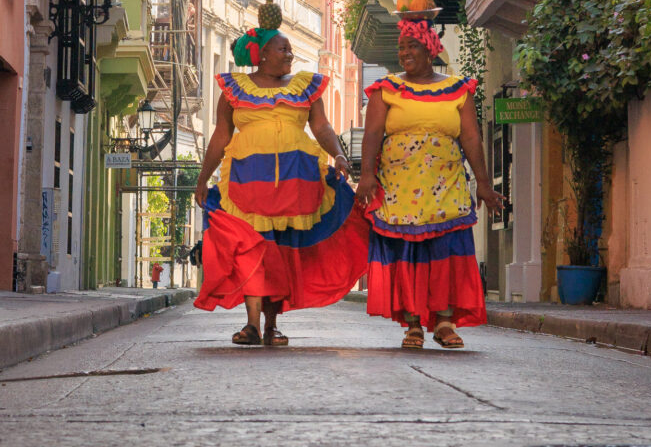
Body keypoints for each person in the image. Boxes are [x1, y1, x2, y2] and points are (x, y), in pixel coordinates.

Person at [194, 27, 369, 345]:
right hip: (246, 181)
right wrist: (203, 178)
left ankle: (271, 325)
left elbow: (321, 126)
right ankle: (252, 325)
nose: (290, 54)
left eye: (290, 49)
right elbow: (221, 136)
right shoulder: (234, 90)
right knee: (252, 248)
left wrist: (339, 155)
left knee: (281, 251)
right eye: (283, 49)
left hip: (296, 182)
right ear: (261, 54)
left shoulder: (305, 86)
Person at [355, 18, 504, 349]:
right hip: (398, 187)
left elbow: (470, 137)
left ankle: (444, 321)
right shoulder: (386, 90)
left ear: (430, 49)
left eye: (413, 46)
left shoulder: (457, 90)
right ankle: (412, 324)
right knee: (408, 251)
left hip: (447, 184)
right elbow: (373, 135)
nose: (405, 52)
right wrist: (366, 175)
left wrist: (482, 182)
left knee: (445, 250)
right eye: (402, 47)